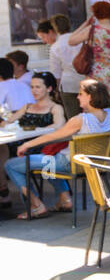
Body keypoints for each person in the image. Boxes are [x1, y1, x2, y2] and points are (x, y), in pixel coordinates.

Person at [5, 79, 110, 220]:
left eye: (81, 94)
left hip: (70, 163)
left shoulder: (80, 119)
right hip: (94, 163)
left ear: (90, 97)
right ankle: (65, 199)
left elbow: (52, 136)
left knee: (11, 165)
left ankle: (36, 205)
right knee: (48, 159)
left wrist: (27, 145)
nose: (77, 97)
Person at [67, 1, 110, 156]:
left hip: (97, 75)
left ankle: (104, 154)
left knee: (98, 112)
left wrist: (85, 23)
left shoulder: (93, 30)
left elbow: (71, 40)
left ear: (96, 14)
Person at [0, 71, 65, 205]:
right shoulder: (27, 106)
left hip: (40, 147)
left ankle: (32, 201)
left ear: (49, 89)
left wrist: (36, 130)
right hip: (18, 146)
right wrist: (4, 122)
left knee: (6, 157)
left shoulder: (55, 108)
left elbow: (59, 127)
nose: (34, 90)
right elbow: (9, 122)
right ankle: (4, 191)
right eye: (32, 87)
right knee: (2, 150)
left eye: (38, 87)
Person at [41, 16, 80, 119]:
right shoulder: (80, 39)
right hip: (85, 80)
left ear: (54, 28)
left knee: (73, 117)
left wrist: (56, 90)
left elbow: (56, 73)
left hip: (68, 85)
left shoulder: (55, 47)